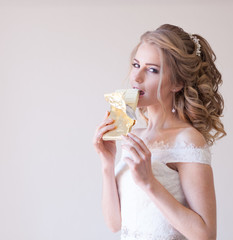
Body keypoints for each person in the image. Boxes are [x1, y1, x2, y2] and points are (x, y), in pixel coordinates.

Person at [93, 24, 226, 240]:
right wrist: (107, 164)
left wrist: (150, 183)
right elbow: (114, 223)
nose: (136, 77)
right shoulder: (137, 135)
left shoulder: (188, 139)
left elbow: (206, 235)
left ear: (177, 83)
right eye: (136, 65)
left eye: (152, 69)